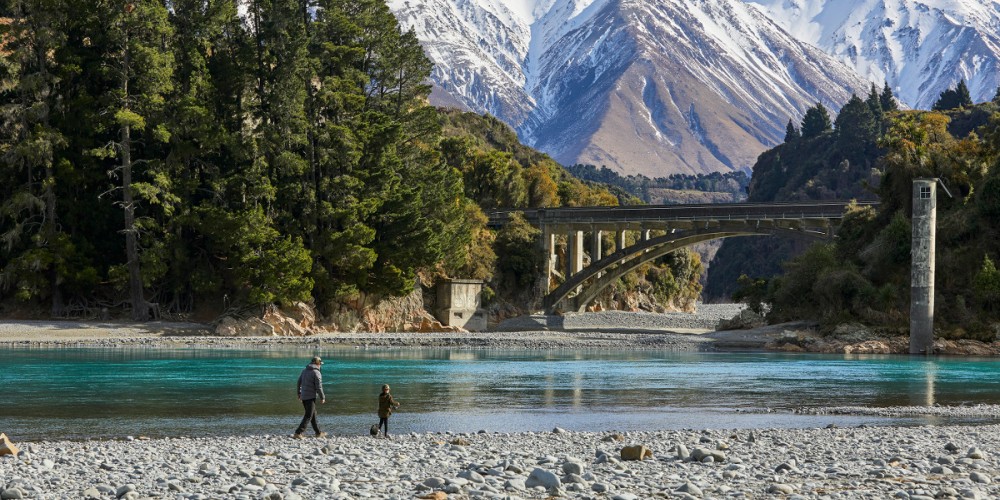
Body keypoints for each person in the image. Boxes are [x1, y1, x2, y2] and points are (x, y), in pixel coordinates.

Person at [293, 356, 327, 439]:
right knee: (308, 415)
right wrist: (322, 397)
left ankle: (318, 433)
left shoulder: (304, 370)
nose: (320, 365)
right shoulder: (316, 372)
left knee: (313, 414)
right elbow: (319, 387)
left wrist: (299, 393)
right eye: (320, 364)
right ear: (317, 364)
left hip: (303, 396)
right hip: (310, 397)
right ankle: (298, 432)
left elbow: (299, 382)